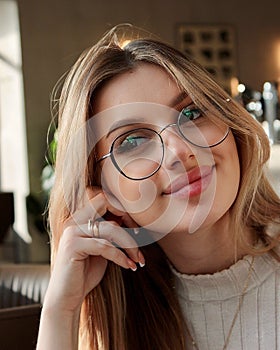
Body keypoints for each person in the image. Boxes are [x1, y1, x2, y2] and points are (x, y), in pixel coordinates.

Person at [36, 24, 280, 350]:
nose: (180, 150)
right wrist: (60, 311)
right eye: (133, 140)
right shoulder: (125, 322)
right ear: (100, 187)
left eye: (192, 112)